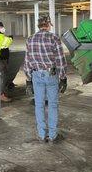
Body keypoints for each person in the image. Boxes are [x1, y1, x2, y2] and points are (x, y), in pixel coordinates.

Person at [24, 15, 67, 143]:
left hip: (36, 76)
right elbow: (60, 59)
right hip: (51, 75)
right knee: (53, 105)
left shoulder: (30, 39)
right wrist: (63, 77)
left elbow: (27, 61)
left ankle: (42, 135)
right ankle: (53, 135)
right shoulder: (54, 38)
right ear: (48, 25)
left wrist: (28, 79)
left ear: (38, 26)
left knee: (39, 105)